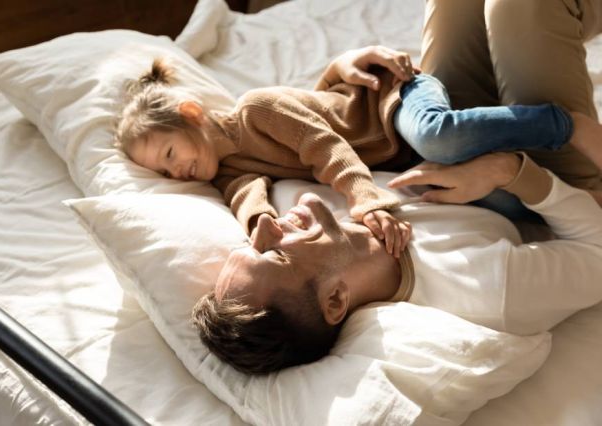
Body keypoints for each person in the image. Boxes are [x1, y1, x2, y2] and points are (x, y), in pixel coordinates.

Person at [116, 53, 602, 250]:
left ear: (191, 113)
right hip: (401, 158)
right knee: (484, 200)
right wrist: (259, 225)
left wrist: (367, 200)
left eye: (170, 153)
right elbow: (245, 193)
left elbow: (323, 146)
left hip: (393, 104)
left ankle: (562, 125)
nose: (177, 172)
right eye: (164, 171)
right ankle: (575, 194)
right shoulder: (229, 169)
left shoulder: (257, 108)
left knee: (436, 137)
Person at [191, 152, 602, 374]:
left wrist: (338, 73)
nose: (264, 224)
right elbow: (597, 253)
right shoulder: (488, 288)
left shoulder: (292, 201)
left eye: (250, 241)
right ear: (334, 300)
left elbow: (242, 159)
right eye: (275, 253)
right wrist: (509, 170)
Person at [316, 0, 602, 210]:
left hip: (444, 139)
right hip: (555, 189)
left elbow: (310, 115)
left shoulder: (277, 177)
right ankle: (567, 133)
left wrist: (334, 73)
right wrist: (507, 170)